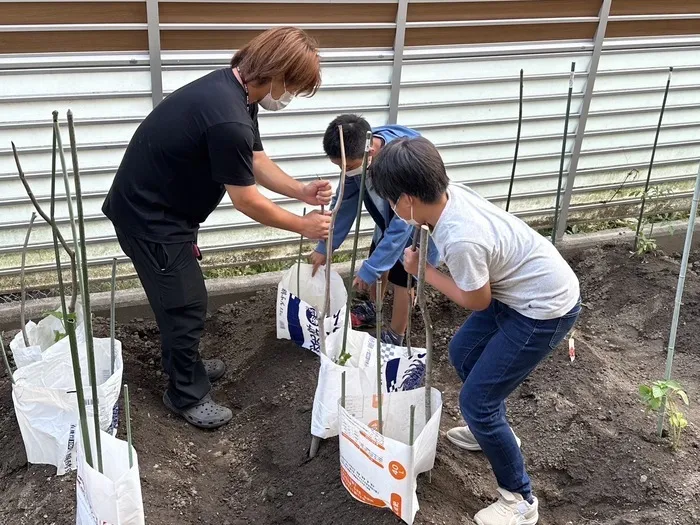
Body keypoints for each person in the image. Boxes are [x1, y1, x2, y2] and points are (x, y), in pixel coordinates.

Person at [102, 27, 332, 430]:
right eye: (294, 86)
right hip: (150, 219)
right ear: (276, 73)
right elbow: (245, 199)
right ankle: (184, 393)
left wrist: (300, 190)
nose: (292, 95)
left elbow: (255, 159)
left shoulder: (236, 92)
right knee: (184, 304)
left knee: (184, 300)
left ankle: (186, 362)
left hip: (165, 211)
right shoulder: (228, 117)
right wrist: (303, 225)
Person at [369, 137, 581, 525]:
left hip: (543, 310)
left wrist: (424, 273)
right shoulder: (449, 196)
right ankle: (494, 433)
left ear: (406, 201)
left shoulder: (461, 238)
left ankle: (519, 499)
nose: (392, 209)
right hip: (518, 291)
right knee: (462, 355)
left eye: (391, 201)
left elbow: (476, 300)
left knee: (477, 402)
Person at [310, 114, 438, 345]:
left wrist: (371, 269)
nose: (343, 171)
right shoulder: (358, 144)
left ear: (369, 153)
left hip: (416, 220)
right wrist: (325, 245)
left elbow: (402, 224)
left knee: (404, 275)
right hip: (388, 214)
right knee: (378, 251)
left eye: (347, 166)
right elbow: (345, 203)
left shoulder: (401, 162)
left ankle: (396, 334)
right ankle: (373, 308)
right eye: (338, 166)